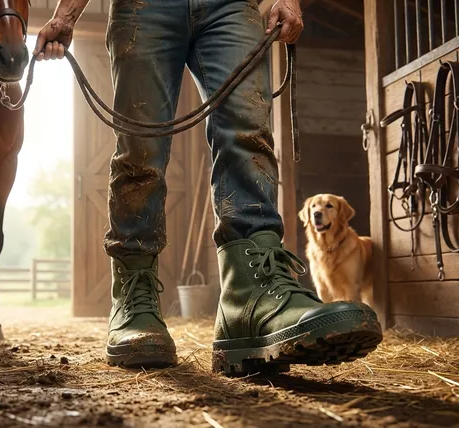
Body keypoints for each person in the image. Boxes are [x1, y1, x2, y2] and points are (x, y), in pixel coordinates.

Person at [34, 0, 383, 374]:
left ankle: (251, 297)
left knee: (248, 136)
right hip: (142, 7)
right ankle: (135, 296)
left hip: (232, 6)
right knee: (140, 148)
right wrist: (66, 14)